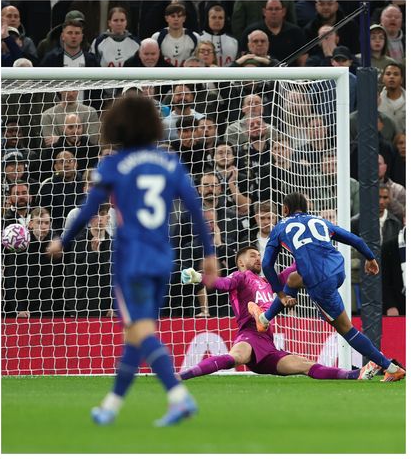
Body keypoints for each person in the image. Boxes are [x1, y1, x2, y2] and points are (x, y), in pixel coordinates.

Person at [46, 96, 218, 427]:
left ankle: (179, 397)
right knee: (136, 334)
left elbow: (88, 209)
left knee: (141, 330)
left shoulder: (112, 164)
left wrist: (62, 241)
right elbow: (196, 210)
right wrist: (209, 253)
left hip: (131, 261)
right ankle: (110, 406)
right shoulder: (170, 162)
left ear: (116, 125)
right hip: (162, 259)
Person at [249, 193, 405, 382]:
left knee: (345, 329)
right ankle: (265, 318)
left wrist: (280, 294)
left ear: (285, 210)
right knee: (293, 278)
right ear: (306, 208)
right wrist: (370, 258)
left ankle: (390, 367)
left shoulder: (280, 227)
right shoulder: (319, 220)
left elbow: (266, 265)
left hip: (318, 280)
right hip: (337, 269)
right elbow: (356, 240)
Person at [178, 247, 364, 380]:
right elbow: (222, 284)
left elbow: (294, 268)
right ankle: (184, 375)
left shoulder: (269, 282)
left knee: (306, 365)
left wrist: (311, 248)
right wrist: (199, 277)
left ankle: (353, 375)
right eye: (253, 256)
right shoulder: (240, 276)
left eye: (259, 255)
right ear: (241, 262)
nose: (258, 258)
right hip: (249, 336)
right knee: (235, 358)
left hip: (268, 345)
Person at [151, 2, 200, 67]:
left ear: (184, 18)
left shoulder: (195, 37)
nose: (176, 19)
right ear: (166, 18)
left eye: (179, 16)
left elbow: (198, 61)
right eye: (173, 16)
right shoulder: (157, 37)